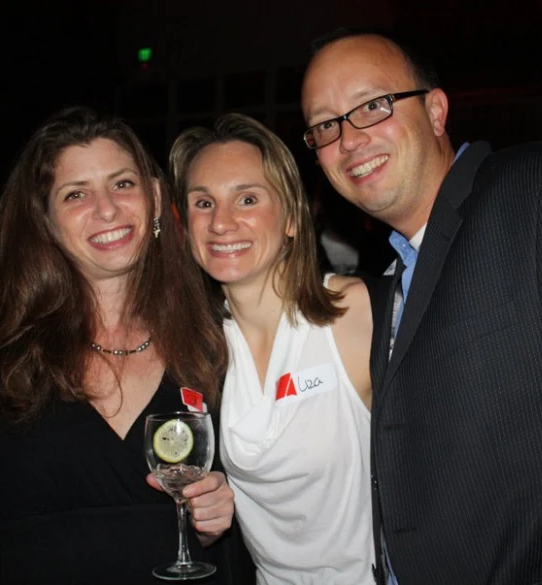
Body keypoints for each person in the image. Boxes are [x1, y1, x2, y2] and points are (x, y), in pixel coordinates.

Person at [301, 28, 542, 585]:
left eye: (372, 106)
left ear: (435, 110)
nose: (349, 139)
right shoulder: (387, 279)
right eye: (325, 125)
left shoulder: (541, 191)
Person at [0, 106, 242, 585]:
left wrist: (224, 508)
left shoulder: (218, 338)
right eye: (76, 194)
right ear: (44, 220)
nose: (107, 209)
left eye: (122, 184)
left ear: (155, 198)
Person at [169, 113, 375, 584]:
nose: (221, 222)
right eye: (204, 202)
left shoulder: (352, 313)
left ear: (290, 219)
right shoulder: (199, 348)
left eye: (247, 198)